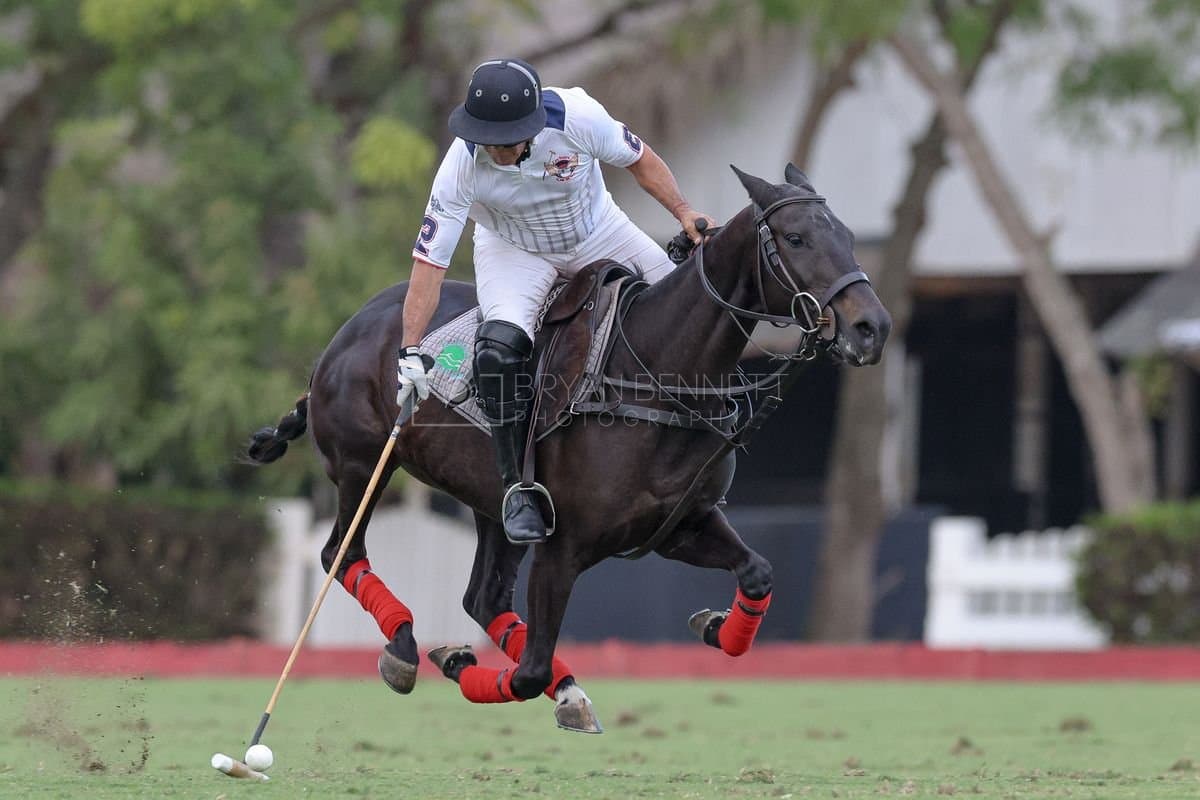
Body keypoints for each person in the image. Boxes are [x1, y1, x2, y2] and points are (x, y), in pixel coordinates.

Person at [396, 57, 715, 545]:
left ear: (532, 125)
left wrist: (684, 211)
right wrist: (411, 349)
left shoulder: (579, 117)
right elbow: (429, 262)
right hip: (514, 250)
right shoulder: (460, 166)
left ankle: (698, 448)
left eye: (506, 140)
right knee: (497, 352)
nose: (495, 151)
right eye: (487, 139)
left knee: (685, 315)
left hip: (598, 230)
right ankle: (517, 488)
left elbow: (641, 161)